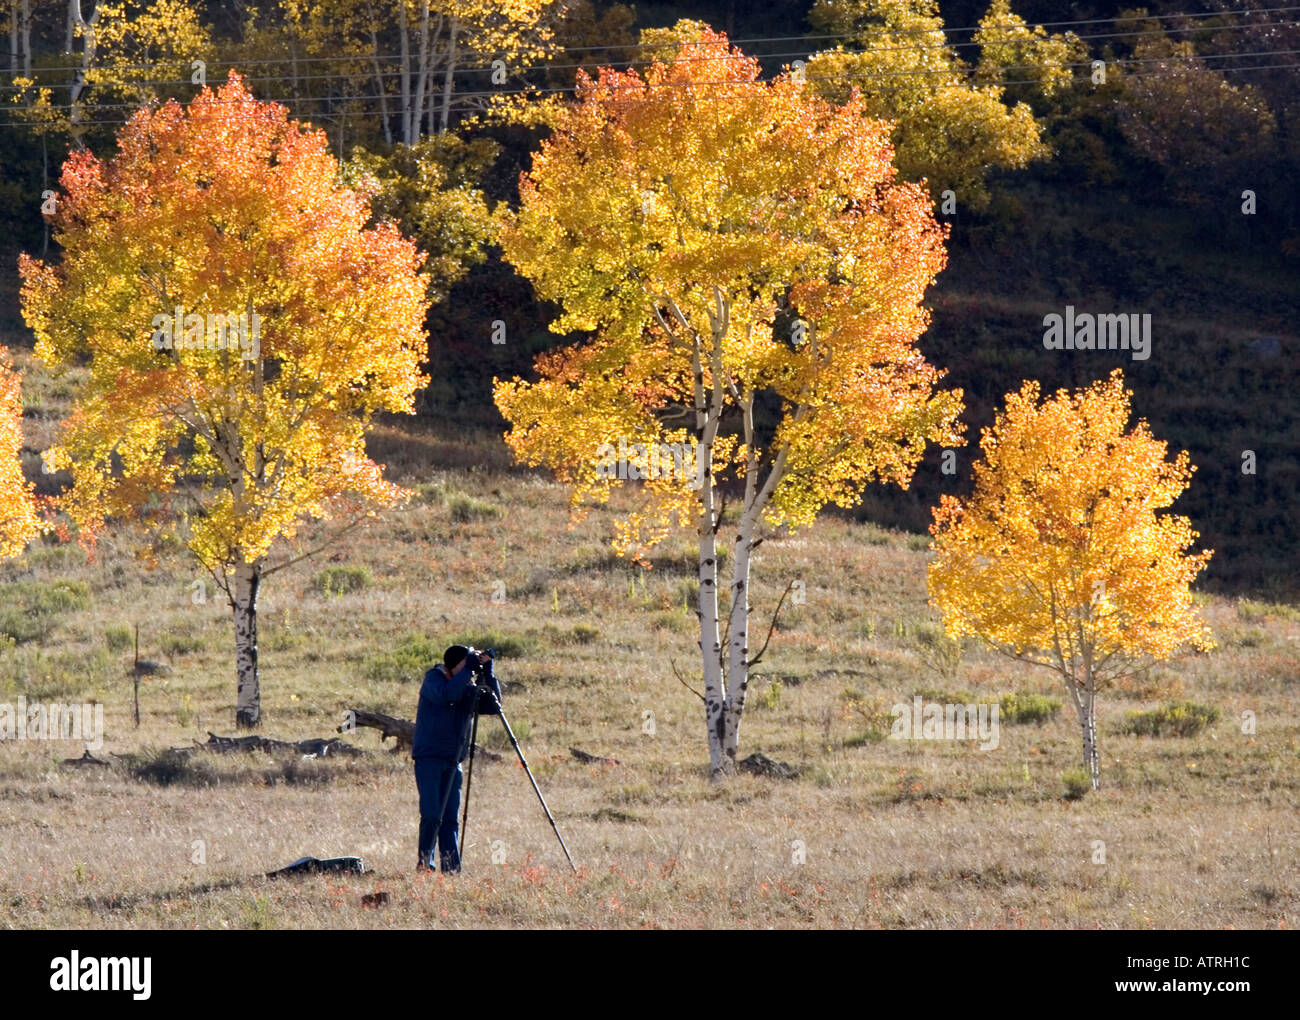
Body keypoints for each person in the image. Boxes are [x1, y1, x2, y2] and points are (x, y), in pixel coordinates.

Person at [412, 644, 502, 873]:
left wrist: (488, 675)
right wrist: (467, 671)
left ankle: (451, 869)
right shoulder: (434, 679)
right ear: (455, 664)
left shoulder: (466, 684)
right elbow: (447, 695)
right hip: (429, 757)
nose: (470, 668)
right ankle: (425, 864)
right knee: (432, 814)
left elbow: (493, 707)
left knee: (450, 818)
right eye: (467, 663)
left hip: (453, 760)